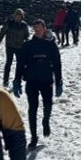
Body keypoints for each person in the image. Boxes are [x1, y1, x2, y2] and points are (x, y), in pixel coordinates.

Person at [14, 19, 63, 149]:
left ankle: (46, 120)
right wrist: (17, 80)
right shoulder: (28, 45)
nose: (37, 31)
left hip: (46, 80)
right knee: (32, 109)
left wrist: (59, 82)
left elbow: (57, 64)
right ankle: (34, 137)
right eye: (35, 29)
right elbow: (20, 64)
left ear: (44, 28)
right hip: (31, 81)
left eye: (40, 28)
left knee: (48, 106)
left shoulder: (51, 45)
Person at [0, 8, 30, 85]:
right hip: (10, 46)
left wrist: (28, 46)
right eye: (16, 15)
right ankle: (5, 80)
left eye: (19, 16)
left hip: (20, 47)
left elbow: (26, 36)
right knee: (8, 63)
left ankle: (17, 79)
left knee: (20, 64)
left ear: (22, 16)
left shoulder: (24, 25)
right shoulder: (9, 23)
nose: (18, 17)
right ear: (14, 16)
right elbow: (2, 33)